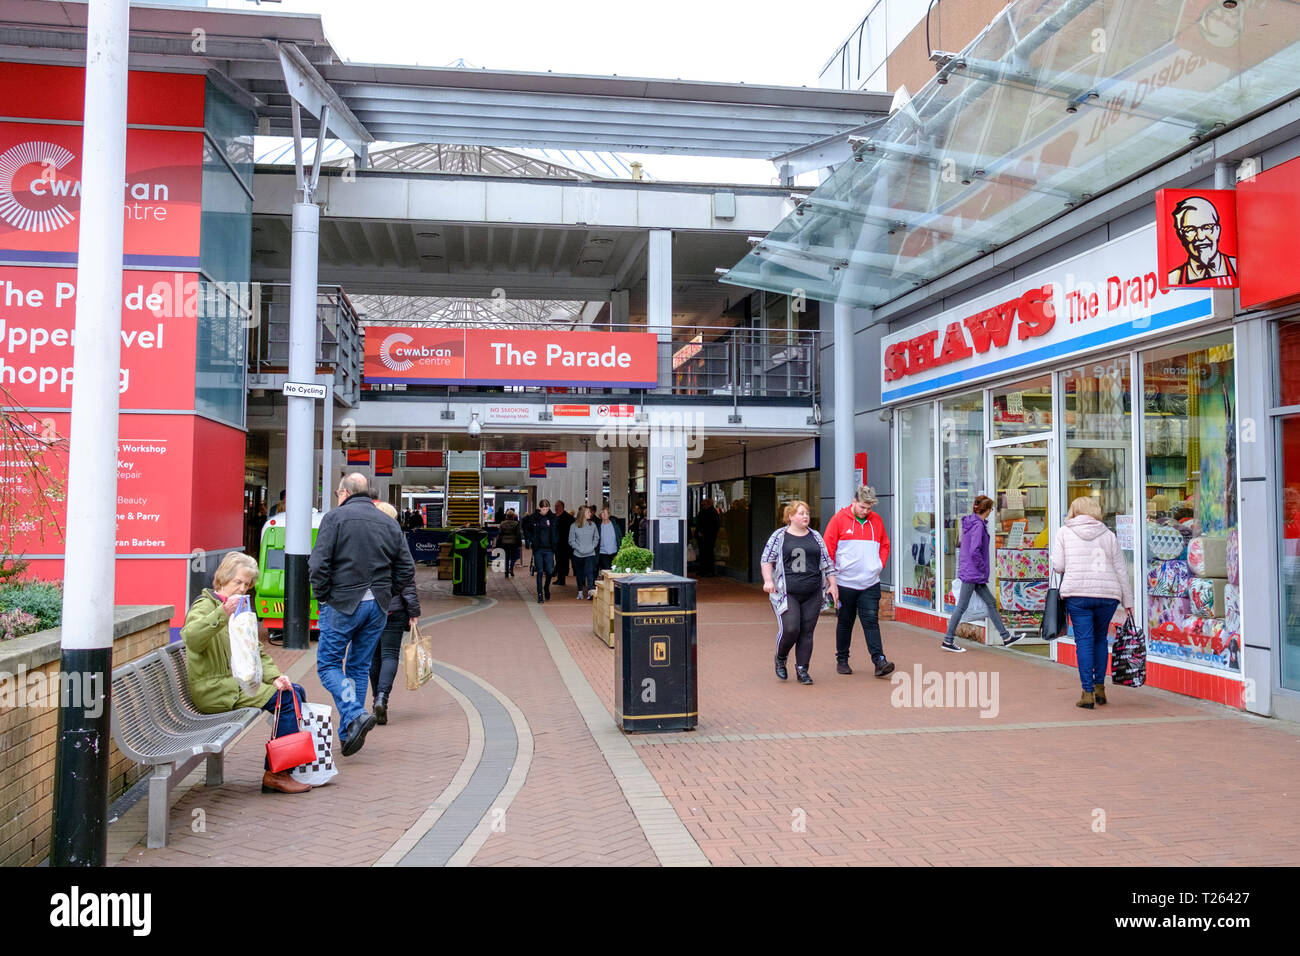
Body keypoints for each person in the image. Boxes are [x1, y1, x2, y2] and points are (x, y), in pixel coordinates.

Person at [181, 552, 310, 795]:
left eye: (247, 584)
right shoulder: (206, 605)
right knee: (285, 700)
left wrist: (275, 677)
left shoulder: (238, 608)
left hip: (233, 684)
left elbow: (255, 651)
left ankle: (286, 763)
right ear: (222, 579)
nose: (242, 589)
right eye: (237, 582)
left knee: (292, 691)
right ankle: (277, 773)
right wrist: (222, 614)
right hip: (214, 689)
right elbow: (192, 638)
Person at [309, 472, 416, 756]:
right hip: (378, 606)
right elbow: (407, 568)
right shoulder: (388, 522)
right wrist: (386, 590)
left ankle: (354, 713)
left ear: (344, 492)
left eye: (336, 493)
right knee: (357, 667)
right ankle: (348, 735)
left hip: (342, 603)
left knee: (328, 665)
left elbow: (318, 563)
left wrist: (323, 596)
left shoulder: (334, 519)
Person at [1050, 495, 1134, 709]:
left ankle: (1087, 692)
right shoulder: (1108, 534)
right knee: (1100, 640)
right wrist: (1128, 600)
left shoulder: (1064, 532)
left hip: (1078, 594)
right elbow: (1120, 569)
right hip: (1107, 595)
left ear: (1073, 511)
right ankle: (1100, 688)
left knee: (1084, 642)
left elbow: (1058, 566)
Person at [761, 501, 838, 685]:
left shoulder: (816, 536)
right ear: (790, 517)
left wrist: (833, 585)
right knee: (791, 629)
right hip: (788, 592)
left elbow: (827, 563)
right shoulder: (779, 536)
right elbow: (767, 560)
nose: (805, 516)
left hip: (812, 592)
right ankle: (781, 657)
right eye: (801, 513)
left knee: (807, 632)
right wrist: (768, 580)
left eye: (807, 513)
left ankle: (802, 669)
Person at [823, 485, 894, 678]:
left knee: (871, 621)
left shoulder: (876, 520)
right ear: (854, 502)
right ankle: (842, 660)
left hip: (870, 582)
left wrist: (879, 565)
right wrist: (832, 580)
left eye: (869, 508)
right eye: (863, 507)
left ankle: (879, 660)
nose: (866, 511)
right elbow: (828, 548)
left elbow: (885, 545)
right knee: (845, 621)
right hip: (845, 582)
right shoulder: (839, 519)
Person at [942, 495, 1019, 652]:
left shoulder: (971, 523)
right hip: (973, 573)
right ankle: (948, 640)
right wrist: (983, 567)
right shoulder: (977, 525)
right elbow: (974, 550)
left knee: (990, 603)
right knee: (962, 606)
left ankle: (1006, 637)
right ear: (989, 510)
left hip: (971, 571)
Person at [369, 502, 420, 726]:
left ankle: (374, 699)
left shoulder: (365, 539)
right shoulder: (398, 540)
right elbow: (407, 578)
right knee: (390, 654)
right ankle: (383, 697)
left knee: (372, 656)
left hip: (369, 606)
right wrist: (414, 611)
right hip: (394, 607)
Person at [1166, 195, 1237, 286]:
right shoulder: (1173, 279)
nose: (1200, 237)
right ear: (1180, 235)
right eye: (1190, 229)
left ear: (1218, 230)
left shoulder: (1238, 268)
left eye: (1207, 227)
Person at [529, 499, 559, 603]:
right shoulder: (534, 518)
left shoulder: (553, 518)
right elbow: (527, 528)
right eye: (543, 509)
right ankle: (540, 594)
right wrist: (531, 539)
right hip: (538, 548)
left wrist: (555, 541)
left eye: (547, 509)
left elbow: (556, 531)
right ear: (540, 508)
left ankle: (546, 587)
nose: (545, 511)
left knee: (550, 571)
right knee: (540, 571)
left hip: (549, 549)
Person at [569, 504, 600, 600]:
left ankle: (590, 592)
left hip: (590, 553)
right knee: (579, 574)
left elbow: (596, 538)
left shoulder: (593, 525)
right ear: (583, 513)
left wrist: (592, 547)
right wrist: (578, 548)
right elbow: (571, 540)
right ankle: (580, 592)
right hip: (578, 554)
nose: (590, 514)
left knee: (590, 573)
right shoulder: (573, 526)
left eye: (590, 512)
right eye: (588, 512)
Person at [695, 498, 720, 576]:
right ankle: (703, 570)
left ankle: (708, 571)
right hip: (703, 536)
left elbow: (713, 525)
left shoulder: (712, 512)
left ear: (709, 504)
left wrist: (703, 532)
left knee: (708, 553)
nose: (702, 506)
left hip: (708, 537)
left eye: (704, 504)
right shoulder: (704, 512)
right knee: (703, 553)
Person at [554, 500, 574, 587]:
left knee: (563, 562)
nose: (556, 508)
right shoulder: (554, 517)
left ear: (562, 507)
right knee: (558, 561)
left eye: (557, 506)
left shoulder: (568, 518)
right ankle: (560, 578)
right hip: (557, 544)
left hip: (565, 544)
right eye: (555, 506)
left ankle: (562, 579)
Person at [497, 509, 522, 577]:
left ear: (507, 516)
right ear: (513, 516)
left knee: (506, 557)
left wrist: (498, 543)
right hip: (513, 543)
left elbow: (500, 534)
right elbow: (518, 534)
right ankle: (511, 568)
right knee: (514, 557)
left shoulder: (502, 523)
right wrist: (519, 543)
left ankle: (506, 571)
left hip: (504, 542)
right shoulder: (516, 523)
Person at [597, 505, 621, 573]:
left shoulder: (615, 525)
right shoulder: (598, 526)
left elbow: (619, 537)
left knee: (615, 571)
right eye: (602, 513)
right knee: (607, 572)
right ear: (600, 515)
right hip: (603, 553)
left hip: (614, 552)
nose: (604, 514)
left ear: (609, 514)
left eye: (606, 513)